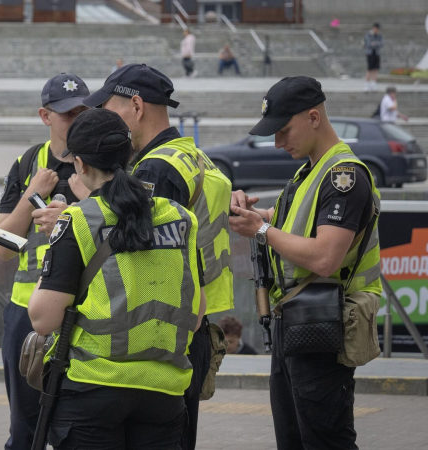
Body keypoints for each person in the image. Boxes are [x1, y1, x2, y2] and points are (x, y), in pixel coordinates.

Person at [28, 108, 205, 449]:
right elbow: (195, 318)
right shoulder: (181, 219)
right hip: (164, 393)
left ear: (79, 164)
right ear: (129, 155)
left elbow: (42, 319)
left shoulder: (77, 220)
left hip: (93, 390)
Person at [83, 63, 234, 450]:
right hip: (197, 319)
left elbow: (147, 255)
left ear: (136, 106)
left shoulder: (155, 168)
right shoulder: (193, 156)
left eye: (110, 110)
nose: (106, 122)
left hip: (171, 329)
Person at [229, 76, 381, 450]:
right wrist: (256, 215)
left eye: (283, 131)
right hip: (297, 322)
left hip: (324, 326)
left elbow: (325, 257)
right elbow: (293, 227)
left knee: (325, 439)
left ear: (314, 117)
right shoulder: (310, 171)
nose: (278, 143)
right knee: (294, 437)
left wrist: (261, 229)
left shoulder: (344, 176)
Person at [0, 72, 89, 450]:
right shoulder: (29, 162)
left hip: (85, 312)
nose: (76, 120)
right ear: (45, 116)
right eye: (67, 114)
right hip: (27, 314)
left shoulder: (100, 164)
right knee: (25, 429)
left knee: (76, 428)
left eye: (83, 111)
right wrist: (32, 194)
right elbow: (1, 247)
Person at [364, 23, 383, 91]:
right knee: (369, 69)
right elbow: (368, 44)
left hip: (377, 53)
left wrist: (375, 43)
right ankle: (367, 85)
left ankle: (373, 84)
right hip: (370, 54)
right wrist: (376, 43)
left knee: (376, 69)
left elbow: (381, 44)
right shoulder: (368, 35)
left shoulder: (379, 35)